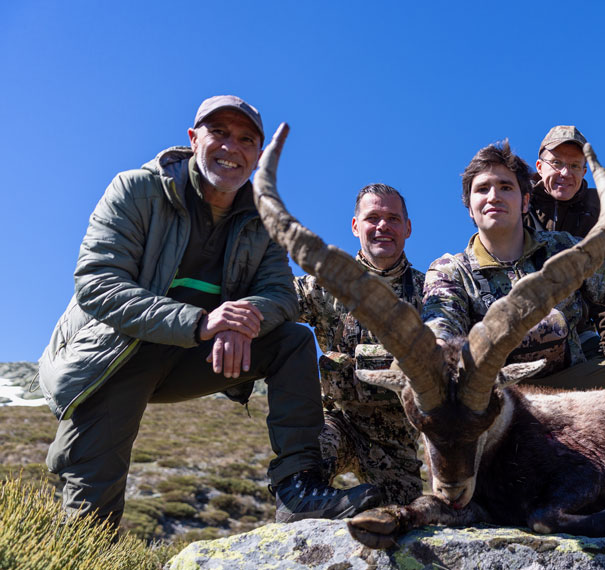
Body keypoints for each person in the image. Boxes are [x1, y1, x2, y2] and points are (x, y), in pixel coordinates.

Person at [39, 95, 372, 529]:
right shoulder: (136, 189)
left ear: (256, 156)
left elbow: (279, 294)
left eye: (246, 140)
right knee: (91, 515)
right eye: (219, 133)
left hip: (193, 355)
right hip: (113, 355)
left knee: (291, 341)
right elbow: (98, 283)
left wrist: (241, 320)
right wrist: (201, 322)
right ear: (193, 139)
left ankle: (298, 487)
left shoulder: (263, 218)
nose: (231, 147)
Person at [422, 141, 605, 390]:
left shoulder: (563, 248)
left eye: (506, 187)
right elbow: (440, 327)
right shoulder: (450, 270)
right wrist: (437, 348)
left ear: (525, 201)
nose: (493, 196)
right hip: (498, 398)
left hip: (572, 392)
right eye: (482, 189)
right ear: (469, 206)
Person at [296, 183, 426, 506]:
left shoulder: (430, 295)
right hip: (337, 423)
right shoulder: (326, 283)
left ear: (407, 228)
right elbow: (276, 300)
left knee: (404, 520)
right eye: (373, 218)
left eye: (393, 219)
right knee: (300, 459)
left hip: (397, 445)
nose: (383, 226)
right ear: (355, 226)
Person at [527, 125, 605, 355]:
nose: (565, 173)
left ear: (584, 172)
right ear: (540, 167)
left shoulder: (599, 212)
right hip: (522, 331)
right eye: (557, 163)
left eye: (574, 166)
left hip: (578, 334)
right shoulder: (519, 204)